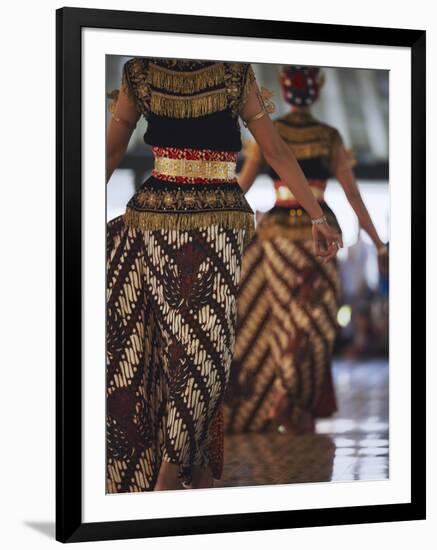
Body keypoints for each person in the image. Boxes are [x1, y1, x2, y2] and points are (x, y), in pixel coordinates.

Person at [105, 58, 342, 493]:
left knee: (198, 351)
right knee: (198, 352)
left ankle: (178, 470)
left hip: (188, 220)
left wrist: (316, 215)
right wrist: (316, 216)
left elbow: (112, 150)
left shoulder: (160, 71)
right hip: (192, 220)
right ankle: (169, 476)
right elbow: (274, 152)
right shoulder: (213, 71)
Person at [223, 65, 388, 435]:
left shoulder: (273, 133)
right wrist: (378, 243)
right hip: (321, 235)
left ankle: (283, 397)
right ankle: (290, 398)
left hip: (278, 238)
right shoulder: (328, 136)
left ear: (285, 90)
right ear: (315, 92)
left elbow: (240, 188)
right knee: (316, 324)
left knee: (283, 321)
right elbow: (353, 195)